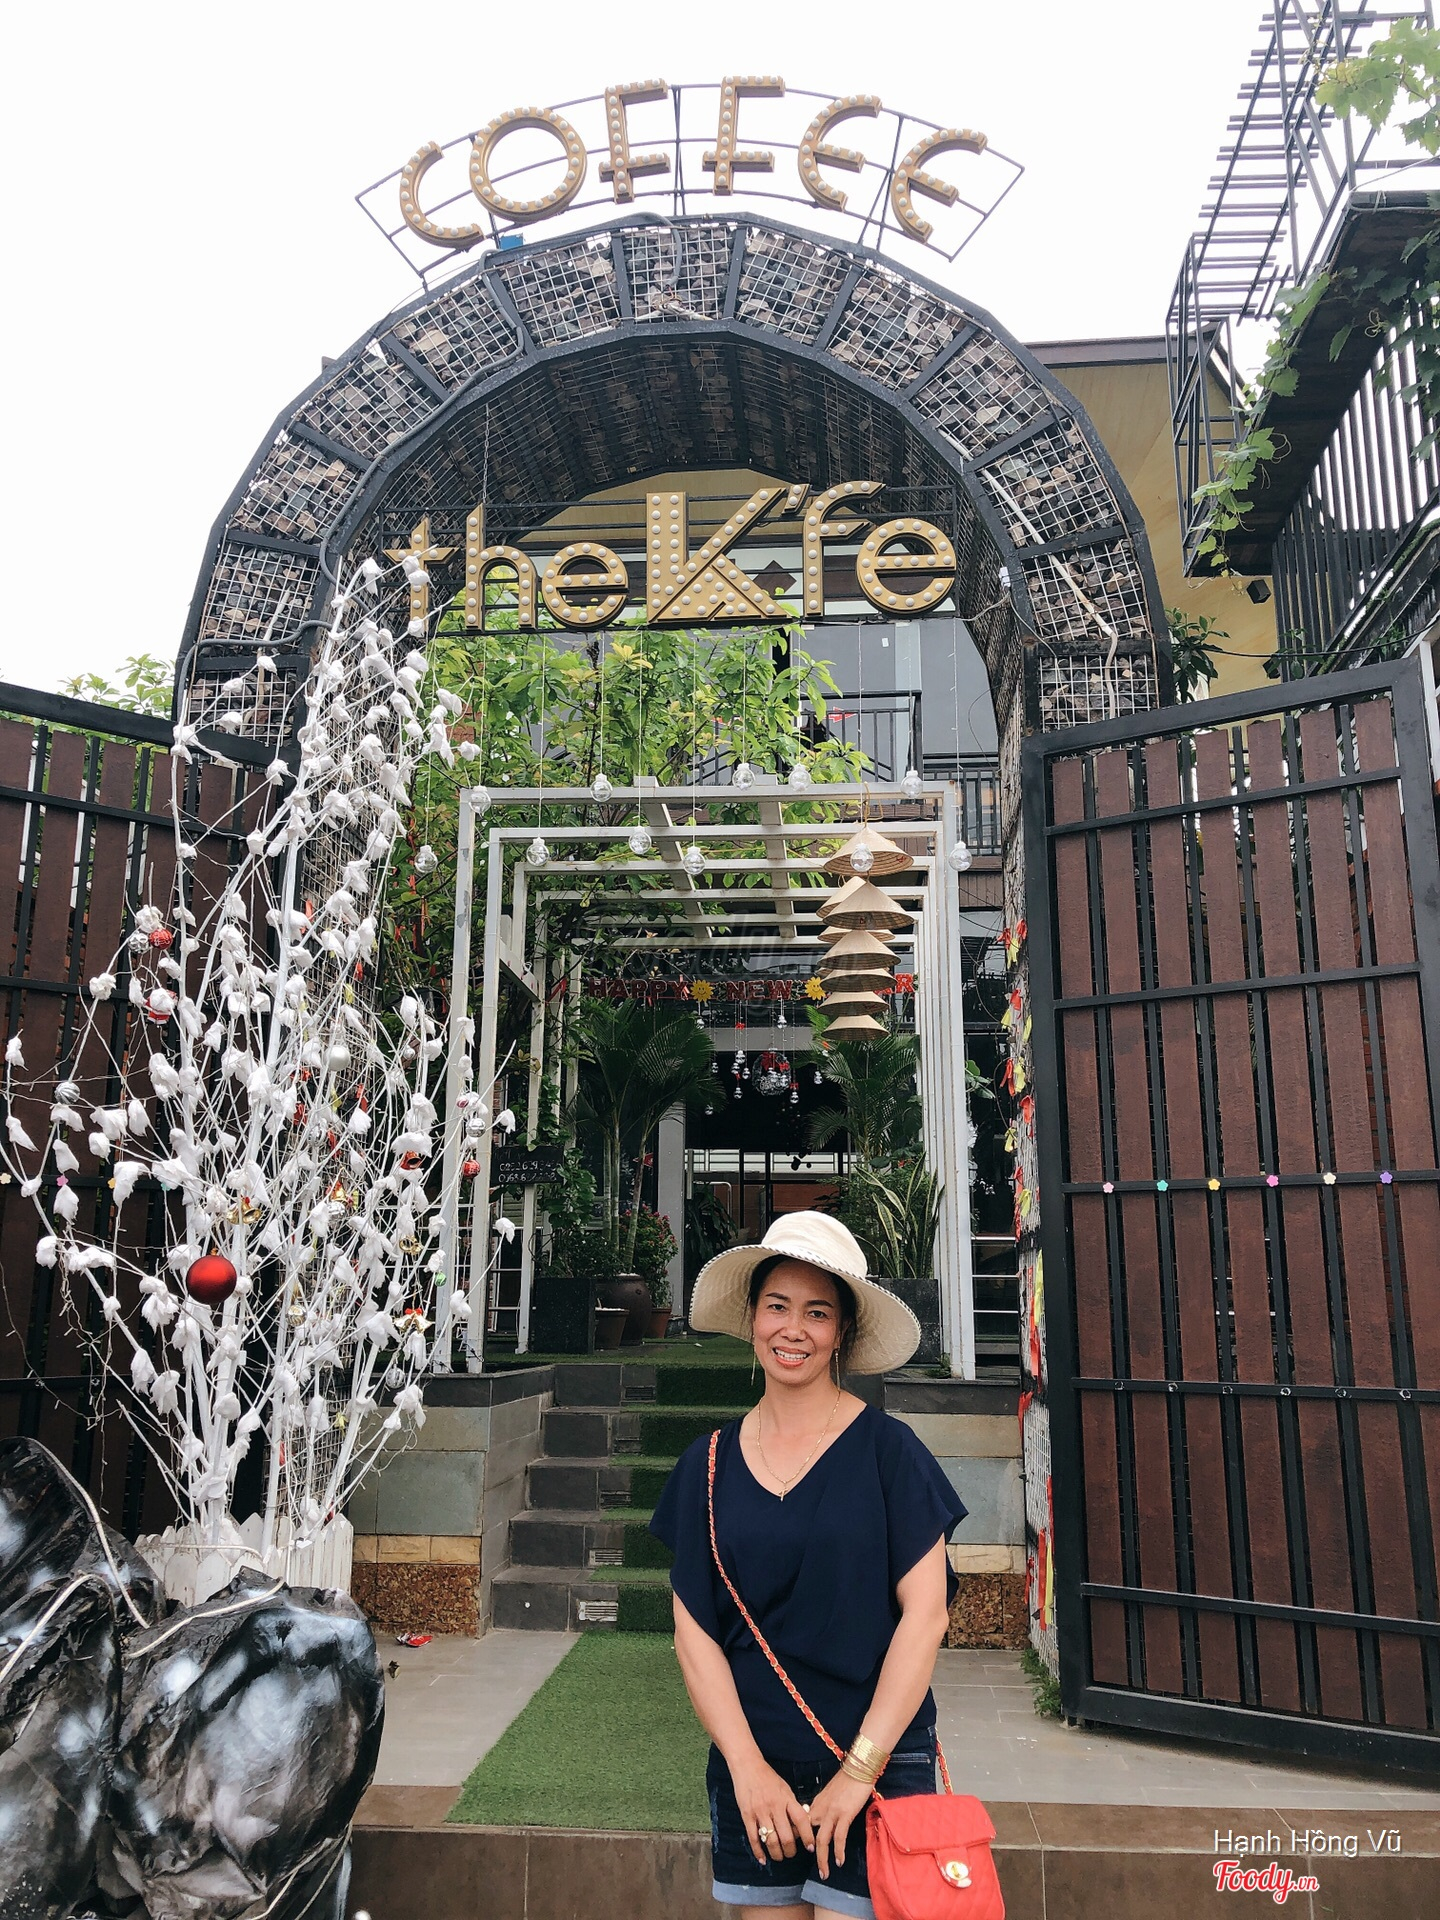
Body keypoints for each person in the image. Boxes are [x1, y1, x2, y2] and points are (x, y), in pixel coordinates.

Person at [651, 1212, 967, 1920]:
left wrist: (859, 1771)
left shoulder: (891, 1454)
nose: (793, 1330)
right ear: (752, 1319)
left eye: (817, 1313)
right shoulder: (706, 1466)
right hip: (756, 1767)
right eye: (777, 1306)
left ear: (842, 1332)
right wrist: (747, 1768)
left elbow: (926, 1616)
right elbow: (694, 1634)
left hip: (880, 1763)